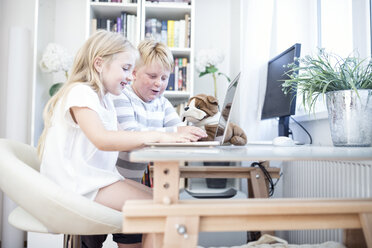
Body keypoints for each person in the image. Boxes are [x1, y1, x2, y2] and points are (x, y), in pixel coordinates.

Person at [37, 30, 206, 248]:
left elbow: (124, 136)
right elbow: (103, 139)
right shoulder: (80, 92)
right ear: (99, 64)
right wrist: (159, 134)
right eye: (126, 69)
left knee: (166, 200)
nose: (130, 76)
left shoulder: (105, 99)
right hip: (77, 186)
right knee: (164, 207)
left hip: (94, 182)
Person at [112, 39, 203, 182]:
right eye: (152, 76)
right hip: (115, 179)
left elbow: (180, 130)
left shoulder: (162, 103)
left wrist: (198, 133)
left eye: (164, 78)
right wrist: (176, 133)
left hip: (135, 180)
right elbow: (131, 135)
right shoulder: (122, 96)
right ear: (134, 73)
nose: (159, 83)